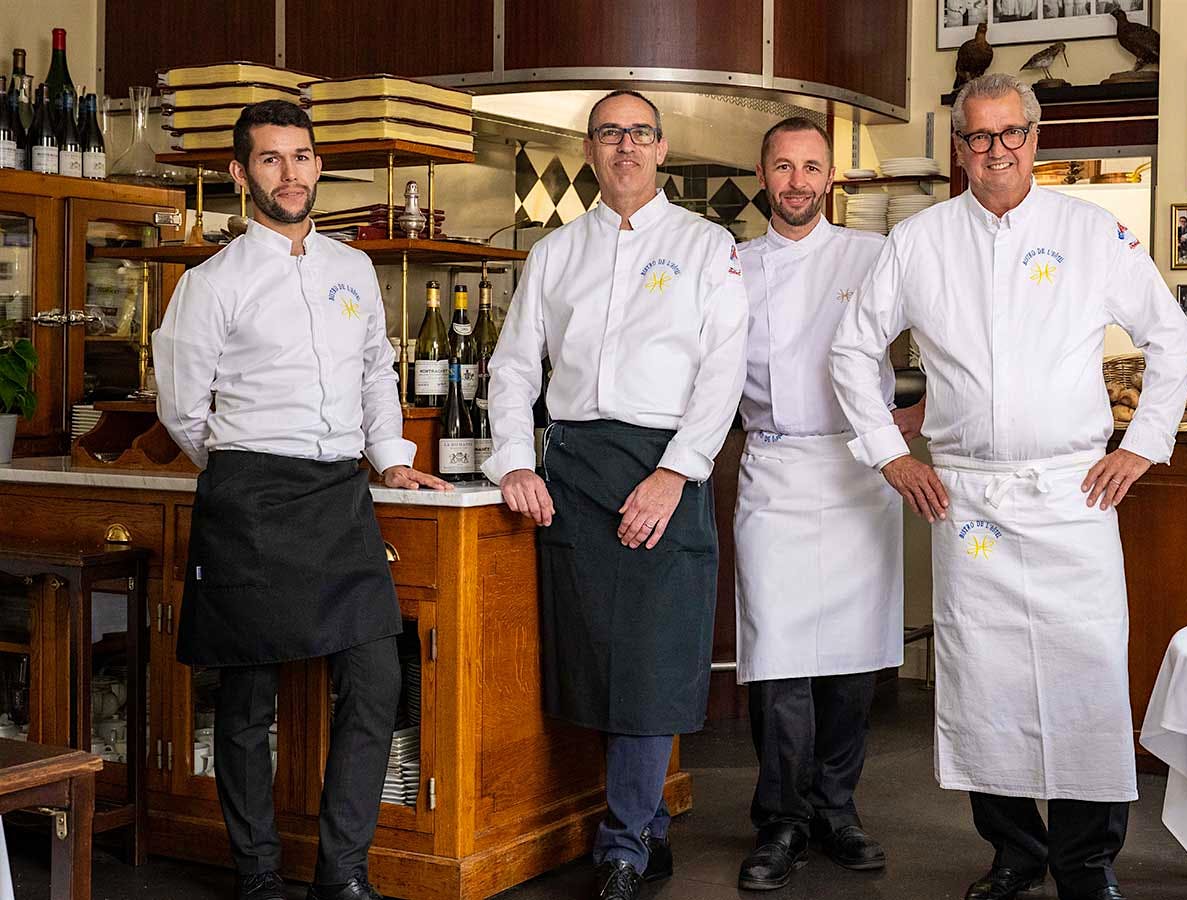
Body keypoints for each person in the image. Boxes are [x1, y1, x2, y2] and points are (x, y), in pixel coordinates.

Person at [830, 72, 1187, 900]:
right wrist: (891, 453)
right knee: (983, 678)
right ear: (960, 148)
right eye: (977, 138)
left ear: (1036, 139)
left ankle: (1085, 861)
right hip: (969, 501)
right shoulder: (919, 241)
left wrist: (1142, 444)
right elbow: (852, 351)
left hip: (1075, 494)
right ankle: (1014, 851)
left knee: (1086, 674)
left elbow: (1170, 337)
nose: (994, 151)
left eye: (1009, 134)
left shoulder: (1092, 231)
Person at [154, 100, 449, 900]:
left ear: (319, 165)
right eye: (272, 159)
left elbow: (374, 376)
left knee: (376, 680)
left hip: (338, 494)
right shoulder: (210, 283)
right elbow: (181, 406)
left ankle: (341, 873)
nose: (291, 173)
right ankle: (256, 874)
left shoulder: (352, 269)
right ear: (240, 173)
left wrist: (390, 461)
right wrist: (243, 468)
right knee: (247, 698)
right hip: (250, 496)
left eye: (303, 156)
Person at [481, 90, 748, 900]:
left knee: (652, 658)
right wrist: (511, 463)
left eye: (640, 133)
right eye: (610, 134)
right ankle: (646, 827)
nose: (626, 147)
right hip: (573, 469)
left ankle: (624, 845)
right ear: (591, 151)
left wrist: (675, 473)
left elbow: (723, 369)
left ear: (662, 149)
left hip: (665, 461)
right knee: (594, 659)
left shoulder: (707, 246)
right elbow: (515, 367)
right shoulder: (554, 254)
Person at [731, 116, 921, 892]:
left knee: (850, 659)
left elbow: (952, 337)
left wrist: (921, 417)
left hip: (855, 466)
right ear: (763, 174)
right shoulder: (731, 264)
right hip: (773, 464)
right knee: (777, 655)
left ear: (830, 179)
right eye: (784, 166)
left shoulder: (874, 255)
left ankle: (836, 807)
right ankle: (781, 817)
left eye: (812, 167)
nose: (798, 181)